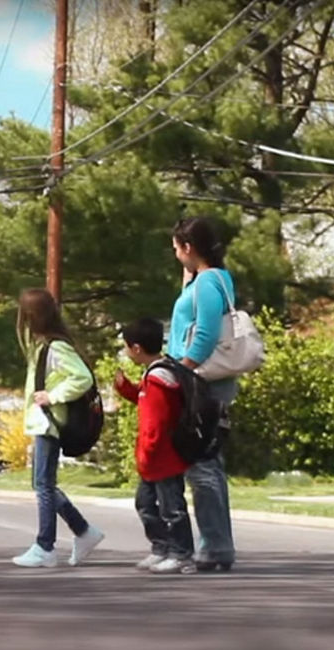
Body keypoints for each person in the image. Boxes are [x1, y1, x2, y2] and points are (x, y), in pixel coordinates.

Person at [11, 288, 105, 569]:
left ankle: (45, 546)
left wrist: (52, 397)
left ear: (30, 318)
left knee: (43, 486)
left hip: (50, 422)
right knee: (43, 485)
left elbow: (83, 378)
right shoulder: (43, 346)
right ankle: (84, 531)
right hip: (43, 423)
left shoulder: (56, 347)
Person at [167, 216, 238, 572]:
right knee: (209, 463)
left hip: (203, 382)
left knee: (202, 466)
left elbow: (206, 333)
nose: (175, 254)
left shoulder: (209, 282)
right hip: (205, 380)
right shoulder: (208, 279)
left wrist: (182, 368)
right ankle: (217, 546)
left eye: (177, 248)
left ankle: (214, 548)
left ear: (188, 247)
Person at [115, 318, 197, 575]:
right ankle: (161, 547)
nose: (126, 352)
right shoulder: (156, 373)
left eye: (127, 347)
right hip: (156, 457)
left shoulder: (160, 378)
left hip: (162, 457)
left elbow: (156, 421)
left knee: (171, 507)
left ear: (136, 348)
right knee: (146, 504)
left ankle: (182, 554)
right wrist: (126, 389)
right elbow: (143, 398)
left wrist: (147, 452)